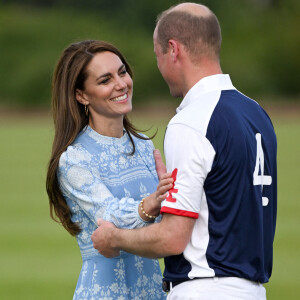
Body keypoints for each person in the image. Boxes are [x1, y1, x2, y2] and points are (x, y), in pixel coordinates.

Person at [91, 3, 277, 300]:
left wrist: (114, 238)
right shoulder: (256, 113)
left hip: (206, 289)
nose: (158, 65)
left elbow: (173, 238)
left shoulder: (191, 122)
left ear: (173, 50)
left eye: (157, 55)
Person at [46, 40, 172, 299]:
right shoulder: (74, 159)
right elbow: (109, 215)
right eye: (105, 80)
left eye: (122, 72)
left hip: (154, 291)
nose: (121, 84)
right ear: (82, 95)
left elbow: (166, 228)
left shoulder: (146, 146)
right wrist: (152, 203)